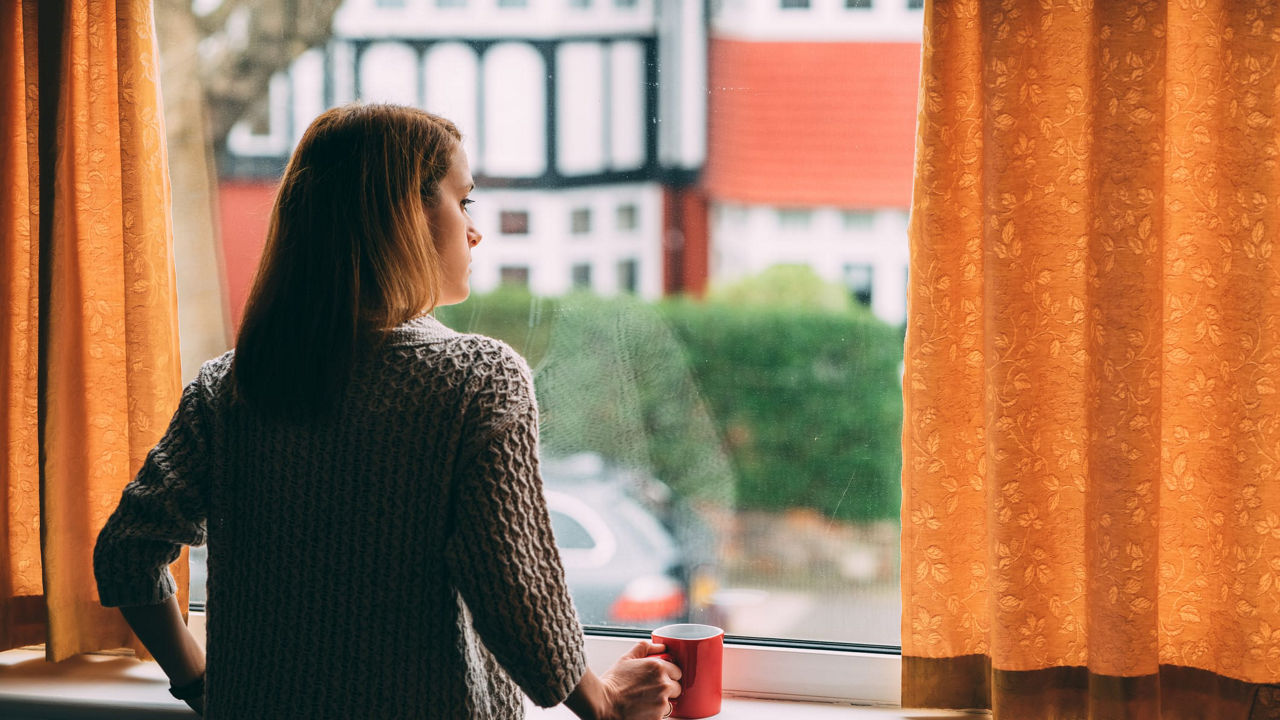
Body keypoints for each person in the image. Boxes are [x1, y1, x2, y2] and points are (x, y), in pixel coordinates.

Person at [93, 103, 682, 719]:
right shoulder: (476, 380)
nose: (475, 230)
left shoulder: (230, 387)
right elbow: (516, 591)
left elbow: (127, 551)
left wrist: (201, 685)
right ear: (405, 216)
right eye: (465, 201)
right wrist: (606, 706)